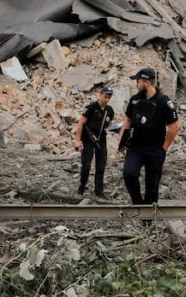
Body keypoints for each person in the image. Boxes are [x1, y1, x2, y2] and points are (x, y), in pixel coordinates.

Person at [118, 68, 179, 206]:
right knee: (129, 174)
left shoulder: (163, 102)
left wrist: (163, 148)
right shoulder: (135, 100)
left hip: (155, 149)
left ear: (146, 82)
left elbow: (174, 127)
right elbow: (127, 120)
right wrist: (122, 143)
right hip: (136, 147)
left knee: (152, 186)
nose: (136, 85)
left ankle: (148, 218)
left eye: (138, 82)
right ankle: (138, 204)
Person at [74, 86, 115, 197]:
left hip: (101, 139)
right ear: (100, 94)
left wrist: (117, 128)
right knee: (86, 165)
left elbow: (109, 124)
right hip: (88, 139)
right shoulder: (91, 107)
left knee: (101, 166)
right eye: (105, 96)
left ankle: (99, 192)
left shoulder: (109, 110)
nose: (107, 99)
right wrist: (77, 141)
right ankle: (82, 187)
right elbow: (81, 123)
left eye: (109, 97)